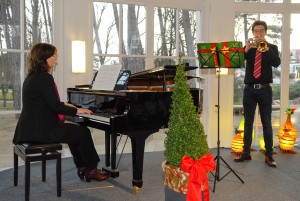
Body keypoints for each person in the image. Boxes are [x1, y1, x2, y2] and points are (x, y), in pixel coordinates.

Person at [13, 43, 109, 181]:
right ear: (44, 58)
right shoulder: (45, 78)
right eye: (53, 56)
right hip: (40, 131)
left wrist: (67, 105)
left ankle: (83, 167)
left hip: (29, 129)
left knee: (74, 132)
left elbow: (46, 102)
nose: (56, 59)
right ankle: (91, 169)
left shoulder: (32, 77)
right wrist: (77, 110)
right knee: (83, 132)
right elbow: (55, 107)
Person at [234, 20, 281, 167]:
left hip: (265, 90)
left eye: (261, 30)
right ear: (253, 32)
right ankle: (246, 153)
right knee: (248, 123)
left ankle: (269, 155)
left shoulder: (271, 47)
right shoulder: (249, 48)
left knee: (267, 124)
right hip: (249, 90)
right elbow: (237, 62)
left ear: (265, 32)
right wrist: (246, 49)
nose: (259, 33)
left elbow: (276, 63)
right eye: (256, 31)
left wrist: (266, 48)